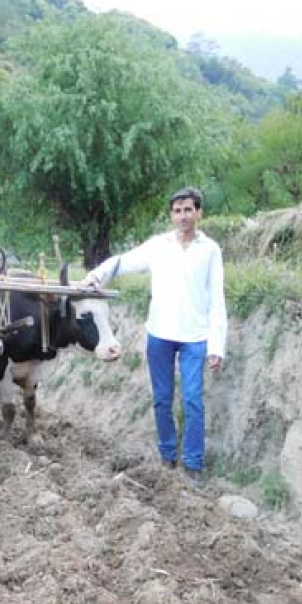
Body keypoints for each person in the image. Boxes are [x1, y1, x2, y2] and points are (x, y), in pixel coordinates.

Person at [81, 187, 227, 484]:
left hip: (195, 337)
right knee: (162, 398)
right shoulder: (159, 245)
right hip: (160, 333)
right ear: (171, 215)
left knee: (193, 400)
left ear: (199, 213)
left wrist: (217, 346)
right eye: (177, 210)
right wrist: (96, 276)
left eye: (188, 209)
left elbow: (217, 300)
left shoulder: (210, 250)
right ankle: (167, 457)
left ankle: (194, 464)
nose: (183, 216)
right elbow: (124, 261)